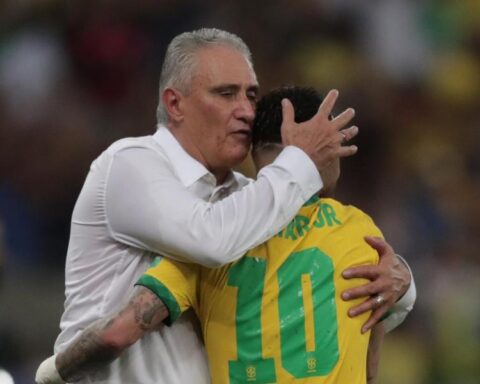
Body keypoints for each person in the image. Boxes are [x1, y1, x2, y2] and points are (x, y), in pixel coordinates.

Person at [36, 29, 415, 384]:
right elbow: (211, 240)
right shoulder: (131, 164)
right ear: (175, 103)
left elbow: (310, 289)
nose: (247, 111)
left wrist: (399, 280)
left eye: (251, 95)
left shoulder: (248, 201)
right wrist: (302, 160)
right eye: (226, 93)